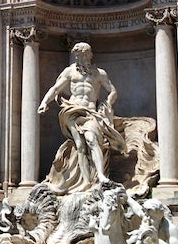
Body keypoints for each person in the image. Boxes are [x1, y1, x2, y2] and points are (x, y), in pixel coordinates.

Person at [38, 42, 127, 191]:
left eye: (85, 55)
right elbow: (55, 88)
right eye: (79, 55)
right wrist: (44, 102)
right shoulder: (70, 72)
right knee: (80, 146)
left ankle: (101, 176)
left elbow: (113, 91)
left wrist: (107, 104)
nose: (82, 58)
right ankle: (86, 181)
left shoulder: (99, 73)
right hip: (72, 110)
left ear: (90, 55)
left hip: (91, 111)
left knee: (92, 140)